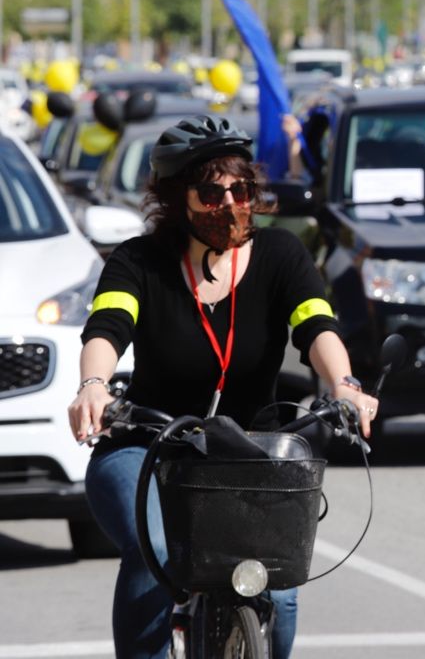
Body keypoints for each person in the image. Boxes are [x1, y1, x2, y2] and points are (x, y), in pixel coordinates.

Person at [67, 115, 378, 659]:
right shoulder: (139, 261)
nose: (232, 203)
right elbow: (107, 327)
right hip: (148, 442)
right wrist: (93, 384)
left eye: (243, 189)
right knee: (155, 550)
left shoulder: (282, 254)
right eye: (212, 192)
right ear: (175, 198)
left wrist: (345, 384)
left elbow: (316, 326)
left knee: (276, 589)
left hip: (252, 450)